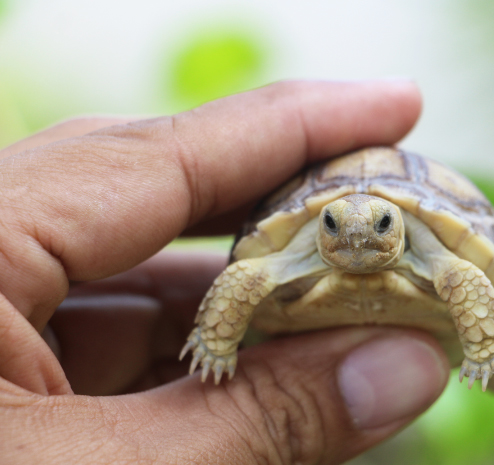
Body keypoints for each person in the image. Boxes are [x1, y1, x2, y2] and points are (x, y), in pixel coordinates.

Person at [0, 80, 449, 464]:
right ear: (320, 227)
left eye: (381, 225)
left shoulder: (443, 259)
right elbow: (243, 275)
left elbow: (469, 277)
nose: (356, 237)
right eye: (332, 224)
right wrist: (218, 341)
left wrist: (488, 347)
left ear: (399, 225)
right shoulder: (284, 257)